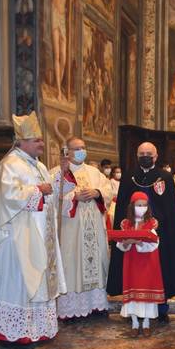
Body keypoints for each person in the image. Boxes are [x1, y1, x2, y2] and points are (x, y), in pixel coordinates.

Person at [0, 112, 68, 346]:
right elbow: (7, 197)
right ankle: (15, 331)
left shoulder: (38, 165)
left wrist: (59, 177)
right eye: (37, 140)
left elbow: (51, 194)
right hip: (19, 239)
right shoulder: (10, 165)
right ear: (22, 142)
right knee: (21, 281)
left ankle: (39, 328)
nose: (41, 143)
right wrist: (38, 190)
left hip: (40, 236)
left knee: (39, 280)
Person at [107, 142, 175, 323]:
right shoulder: (129, 177)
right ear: (137, 156)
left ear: (156, 156)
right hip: (133, 233)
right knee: (134, 273)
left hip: (159, 235)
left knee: (160, 270)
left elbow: (170, 209)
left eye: (148, 153)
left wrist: (157, 225)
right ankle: (134, 309)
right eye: (141, 153)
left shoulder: (165, 177)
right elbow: (122, 207)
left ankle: (161, 308)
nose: (145, 156)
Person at [52, 137, 113, 320]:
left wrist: (98, 193)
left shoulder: (95, 172)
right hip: (71, 233)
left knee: (97, 264)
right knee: (72, 266)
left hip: (94, 232)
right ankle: (70, 310)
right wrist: (73, 197)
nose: (81, 151)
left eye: (83, 147)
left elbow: (108, 190)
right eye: (77, 148)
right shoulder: (57, 173)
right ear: (67, 151)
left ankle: (96, 306)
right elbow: (53, 199)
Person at [115, 192, 164, 337]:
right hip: (131, 263)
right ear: (132, 206)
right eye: (138, 205)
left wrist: (140, 243)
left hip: (148, 262)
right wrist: (126, 243)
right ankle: (135, 323)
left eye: (144, 205)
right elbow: (120, 244)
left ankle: (147, 323)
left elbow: (155, 243)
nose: (141, 208)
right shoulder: (126, 224)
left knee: (147, 292)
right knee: (133, 294)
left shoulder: (151, 223)